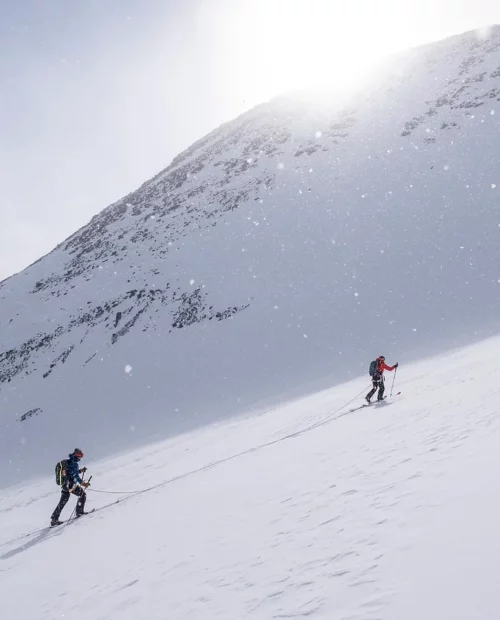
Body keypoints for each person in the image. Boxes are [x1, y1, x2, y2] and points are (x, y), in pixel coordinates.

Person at [50, 448, 91, 527]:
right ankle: (79, 512)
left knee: (63, 502)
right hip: (71, 485)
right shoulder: (74, 463)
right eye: (80, 456)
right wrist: (84, 483)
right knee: (82, 495)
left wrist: (81, 470)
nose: (80, 458)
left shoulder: (69, 462)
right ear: (77, 455)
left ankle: (54, 519)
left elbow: (71, 473)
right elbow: (75, 476)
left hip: (65, 485)